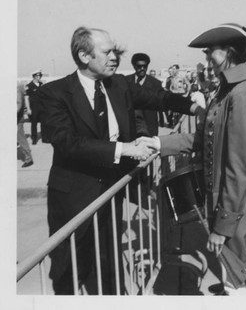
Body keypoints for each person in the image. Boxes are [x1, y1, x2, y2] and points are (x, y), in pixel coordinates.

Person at [37, 26, 200, 295]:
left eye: (114, 51)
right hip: (74, 198)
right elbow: (66, 142)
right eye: (106, 52)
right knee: (70, 269)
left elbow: (158, 98)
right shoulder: (54, 93)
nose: (115, 57)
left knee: (109, 262)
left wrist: (194, 106)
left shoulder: (119, 85)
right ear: (83, 56)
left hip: (112, 194)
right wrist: (123, 149)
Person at [153, 23, 246, 295]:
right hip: (225, 202)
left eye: (211, 54)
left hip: (237, 206)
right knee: (234, 281)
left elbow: (238, 169)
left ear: (229, 52)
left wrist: (223, 226)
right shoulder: (228, 90)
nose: (207, 61)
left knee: (238, 284)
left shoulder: (241, 94)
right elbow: (204, 140)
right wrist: (158, 143)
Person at [126, 52, 165, 136]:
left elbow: (160, 104)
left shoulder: (155, 83)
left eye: (145, 66)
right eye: (139, 66)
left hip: (150, 125)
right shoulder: (126, 81)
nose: (142, 69)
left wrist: (161, 121)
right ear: (134, 66)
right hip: (131, 125)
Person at [25, 69, 46, 144]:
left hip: (42, 107)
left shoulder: (41, 84)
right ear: (34, 76)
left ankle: (44, 137)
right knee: (34, 124)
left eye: (40, 75)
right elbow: (26, 98)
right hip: (33, 108)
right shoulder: (29, 86)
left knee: (43, 123)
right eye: (38, 75)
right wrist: (28, 109)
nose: (39, 77)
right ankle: (34, 138)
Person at [17, 83, 34, 167]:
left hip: (17, 119)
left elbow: (18, 105)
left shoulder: (16, 88)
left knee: (21, 139)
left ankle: (29, 159)